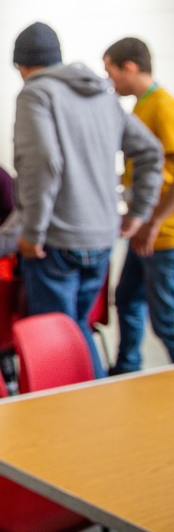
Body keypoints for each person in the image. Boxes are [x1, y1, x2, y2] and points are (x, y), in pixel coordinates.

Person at [12, 22, 162, 377]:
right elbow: (151, 152)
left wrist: (32, 232)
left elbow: (44, 163)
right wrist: (137, 212)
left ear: (22, 65)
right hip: (101, 238)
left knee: (60, 342)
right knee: (78, 328)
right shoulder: (103, 96)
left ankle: (86, 411)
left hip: (57, 241)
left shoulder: (36, 94)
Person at [103, 37, 174, 373]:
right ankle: (127, 370)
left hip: (161, 235)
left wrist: (156, 220)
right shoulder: (140, 106)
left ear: (129, 68)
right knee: (127, 298)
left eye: (111, 71)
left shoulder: (162, 106)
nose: (109, 81)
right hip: (141, 227)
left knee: (166, 319)